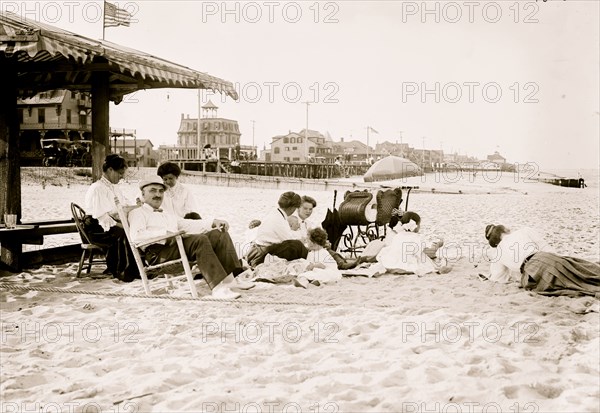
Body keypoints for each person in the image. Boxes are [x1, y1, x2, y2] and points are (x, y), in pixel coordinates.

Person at [128, 178, 253, 299]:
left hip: (175, 247)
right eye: (153, 190)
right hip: (157, 255)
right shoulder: (138, 213)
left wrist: (214, 222)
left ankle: (230, 280)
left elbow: (188, 224)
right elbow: (136, 237)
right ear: (143, 194)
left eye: (161, 191)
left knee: (219, 234)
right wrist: (164, 234)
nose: (158, 194)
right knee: (199, 240)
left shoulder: (166, 215)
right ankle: (218, 288)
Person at [484, 224, 600, 296]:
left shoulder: (497, 252)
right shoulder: (523, 231)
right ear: (505, 230)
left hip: (529, 278)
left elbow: (498, 277)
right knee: (580, 272)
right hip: (541, 258)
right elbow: (545, 247)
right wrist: (560, 260)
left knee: (567, 285)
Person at [83, 154, 140, 281]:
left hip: (107, 223)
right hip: (96, 227)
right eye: (120, 173)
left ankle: (134, 268)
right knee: (124, 233)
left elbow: (121, 207)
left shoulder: (113, 187)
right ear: (110, 170)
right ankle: (123, 271)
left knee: (133, 230)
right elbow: (103, 217)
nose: (122, 177)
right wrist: (123, 226)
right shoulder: (98, 188)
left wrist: (136, 207)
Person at [245, 191, 308, 268]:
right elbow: (288, 240)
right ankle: (308, 262)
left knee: (297, 244)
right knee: (297, 245)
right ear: (292, 208)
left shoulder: (275, 213)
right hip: (260, 255)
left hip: (257, 250)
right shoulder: (279, 220)